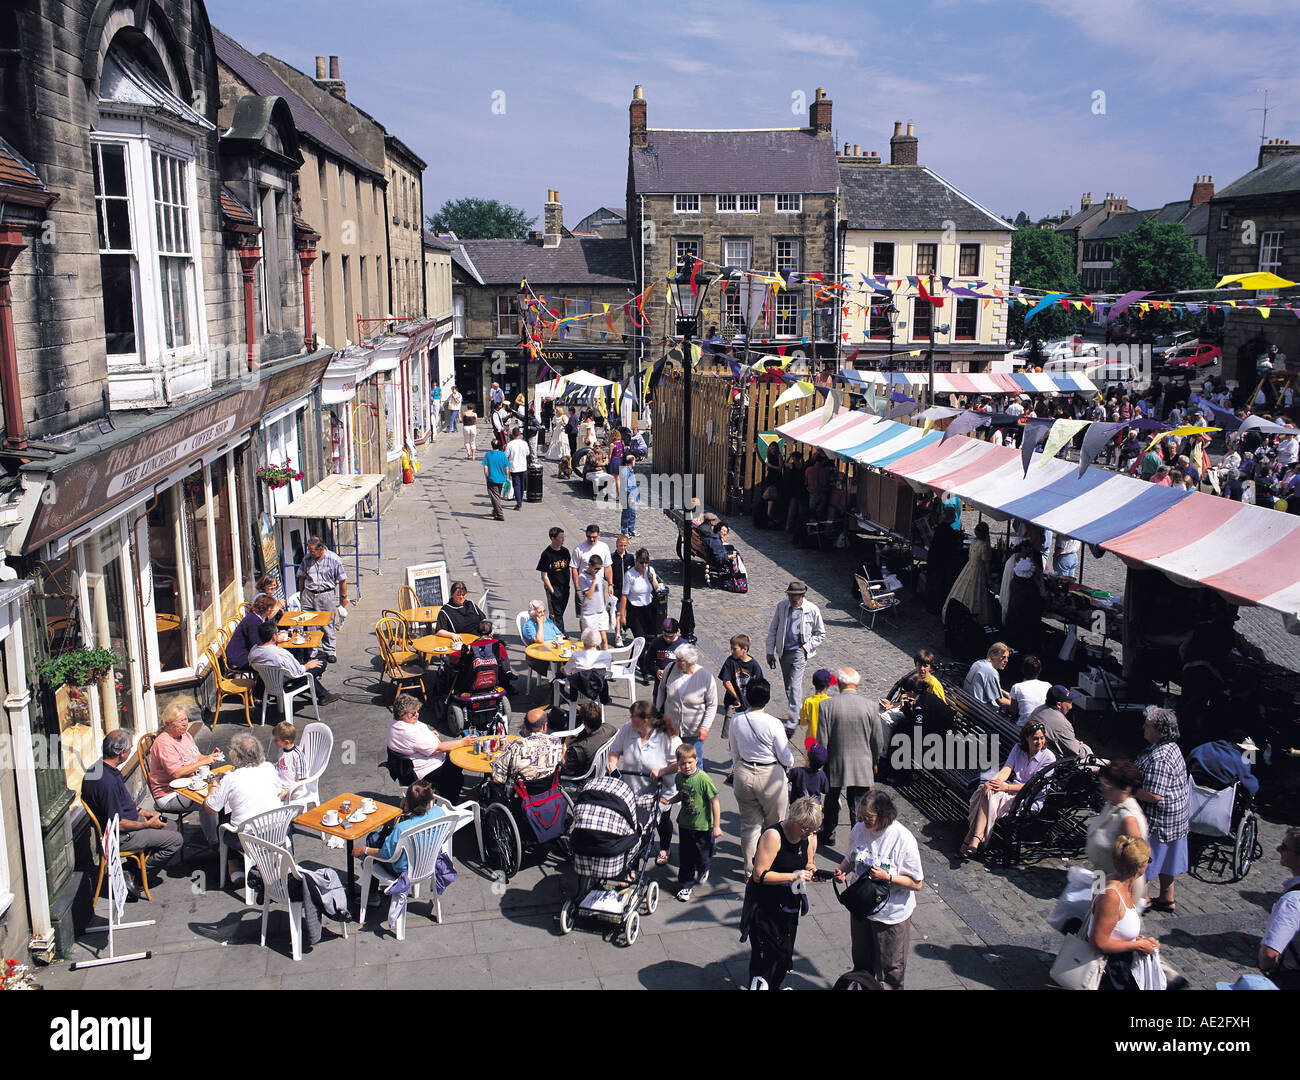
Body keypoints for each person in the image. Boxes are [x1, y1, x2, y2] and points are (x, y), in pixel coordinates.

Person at [833, 790, 924, 989]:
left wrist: (888, 878)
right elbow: (850, 857)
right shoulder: (858, 829)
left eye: (869, 817)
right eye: (861, 816)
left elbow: (917, 883)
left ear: (883, 815)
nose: (863, 821)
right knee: (862, 963)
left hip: (890, 916)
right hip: (861, 909)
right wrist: (842, 870)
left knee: (891, 969)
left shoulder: (903, 839)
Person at [742, 796, 823, 989]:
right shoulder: (773, 836)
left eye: (813, 829)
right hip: (765, 905)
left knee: (783, 953)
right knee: (765, 955)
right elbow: (759, 875)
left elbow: (809, 862)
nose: (809, 833)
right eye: (805, 828)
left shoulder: (809, 836)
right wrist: (793, 876)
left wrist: (813, 871)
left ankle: (774, 985)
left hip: (789, 904)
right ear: (794, 820)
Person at [728, 678, 795, 881]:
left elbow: (734, 750)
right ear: (767, 698)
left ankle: (750, 871)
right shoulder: (774, 723)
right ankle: (771, 866)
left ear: (747, 696)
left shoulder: (737, 719)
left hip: (744, 772)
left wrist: (739, 767)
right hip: (770, 776)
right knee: (776, 825)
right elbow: (785, 757)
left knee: (749, 825)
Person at [204, 731, 291, 884]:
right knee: (236, 811)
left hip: (248, 839)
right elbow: (280, 792)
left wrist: (214, 784)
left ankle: (233, 866)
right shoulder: (269, 768)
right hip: (278, 831)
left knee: (225, 818)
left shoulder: (231, 778)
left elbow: (210, 808)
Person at [960, 719, 1055, 857]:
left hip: (1029, 798)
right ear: (1026, 738)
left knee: (991, 796)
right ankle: (977, 836)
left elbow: (1034, 785)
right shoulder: (1018, 749)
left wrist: (1005, 787)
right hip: (1011, 789)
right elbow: (1007, 769)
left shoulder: (1048, 758)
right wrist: (993, 783)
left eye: (1041, 738)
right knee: (986, 790)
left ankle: (971, 837)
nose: (1039, 742)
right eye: (1035, 739)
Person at [606, 700, 682, 866]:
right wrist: (612, 762)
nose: (630, 719)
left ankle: (665, 847)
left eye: (633, 717)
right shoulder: (628, 729)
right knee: (634, 826)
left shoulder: (667, 737)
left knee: (662, 821)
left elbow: (682, 762)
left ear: (645, 721)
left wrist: (662, 771)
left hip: (659, 789)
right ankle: (632, 861)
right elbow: (615, 749)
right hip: (632, 787)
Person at [816, 668, 883, 849]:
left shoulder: (827, 706)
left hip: (835, 762)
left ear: (838, 684)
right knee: (859, 805)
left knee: (831, 800)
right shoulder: (870, 706)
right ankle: (858, 842)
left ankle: (828, 833)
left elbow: (821, 739)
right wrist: (874, 761)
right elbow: (877, 739)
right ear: (858, 684)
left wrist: (820, 764)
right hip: (861, 764)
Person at [1134, 706, 1191, 914]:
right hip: (1176, 818)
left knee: (1143, 860)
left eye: (1147, 725)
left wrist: (1126, 788)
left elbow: (1153, 795)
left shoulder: (1160, 758)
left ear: (1159, 730)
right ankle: (1167, 899)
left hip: (1160, 821)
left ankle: (1144, 899)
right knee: (1168, 861)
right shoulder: (1171, 747)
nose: (1143, 727)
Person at [1090, 837, 1161, 990]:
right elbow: (1098, 943)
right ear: (1140, 866)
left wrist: (1140, 940)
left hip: (1119, 964)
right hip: (1110, 972)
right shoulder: (1112, 896)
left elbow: (1114, 926)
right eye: (1148, 860)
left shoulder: (1104, 878)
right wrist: (1138, 945)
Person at [147, 703, 221, 844]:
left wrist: (208, 757)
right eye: (180, 721)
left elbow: (195, 756)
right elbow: (176, 773)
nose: (185, 724)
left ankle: (221, 833)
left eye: (186, 719)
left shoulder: (185, 735)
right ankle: (214, 842)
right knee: (209, 801)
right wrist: (202, 762)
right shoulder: (163, 743)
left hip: (188, 785)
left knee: (221, 790)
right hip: (168, 793)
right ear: (168, 724)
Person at [387, 693, 474, 802]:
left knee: (456, 760)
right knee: (457, 767)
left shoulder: (396, 724)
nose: (417, 715)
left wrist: (429, 735)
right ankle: (450, 801)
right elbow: (437, 749)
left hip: (420, 760)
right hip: (428, 768)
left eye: (417, 711)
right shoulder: (408, 732)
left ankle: (446, 790)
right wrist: (462, 742)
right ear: (401, 714)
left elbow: (416, 739)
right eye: (413, 714)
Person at [765, 579, 826, 734]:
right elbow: (774, 629)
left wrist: (805, 648)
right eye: (790, 595)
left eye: (795, 597)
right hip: (783, 652)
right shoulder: (782, 606)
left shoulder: (812, 609)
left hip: (800, 652)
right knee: (788, 687)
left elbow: (820, 634)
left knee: (794, 686)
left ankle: (792, 724)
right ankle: (799, 713)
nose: (792, 599)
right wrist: (770, 651)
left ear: (803, 596)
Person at [353, 779, 447, 875]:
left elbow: (386, 855)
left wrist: (363, 850)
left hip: (404, 870)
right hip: (429, 862)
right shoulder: (439, 812)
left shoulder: (402, 828)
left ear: (406, 801)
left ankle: (371, 887)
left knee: (373, 838)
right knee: (386, 832)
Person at [1086, 760, 1149, 885]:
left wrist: (1111, 887)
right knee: (1092, 904)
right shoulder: (1111, 804)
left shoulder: (1128, 819)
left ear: (1126, 788)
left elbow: (1139, 866)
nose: (1103, 785)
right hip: (1100, 876)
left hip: (1114, 886)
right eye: (1104, 780)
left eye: (1109, 783)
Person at [654, 643, 717, 765]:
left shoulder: (705, 676)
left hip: (693, 731)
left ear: (690, 661)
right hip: (670, 728)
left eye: (680, 660)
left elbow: (712, 705)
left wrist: (705, 727)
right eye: (676, 659)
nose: (676, 662)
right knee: (670, 760)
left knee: (693, 762)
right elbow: (661, 690)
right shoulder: (670, 669)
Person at [249, 620, 338, 705]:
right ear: (274, 637)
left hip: (268, 678)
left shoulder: (254, 651)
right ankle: (322, 694)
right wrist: (307, 666)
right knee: (321, 663)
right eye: (277, 632)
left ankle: (324, 694)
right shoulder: (280, 654)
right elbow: (298, 671)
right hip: (285, 678)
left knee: (304, 666)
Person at [673, 744, 721, 902]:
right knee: (685, 855)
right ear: (678, 764)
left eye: (689, 762)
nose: (686, 766)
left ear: (696, 760)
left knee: (702, 854)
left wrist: (716, 826)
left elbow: (714, 802)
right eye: (682, 763)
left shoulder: (703, 779)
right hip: (685, 824)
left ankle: (703, 867)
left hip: (703, 826)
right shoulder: (679, 778)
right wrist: (669, 800)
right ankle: (686, 885)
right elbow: (682, 795)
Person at [1258, 826, 1300, 988]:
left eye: (1284, 847)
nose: (1277, 849)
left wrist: (1267, 965)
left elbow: (1269, 954)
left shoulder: (1292, 902)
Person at [296, 535, 347, 665]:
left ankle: (330, 651)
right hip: (309, 594)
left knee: (327, 623)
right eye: (309, 550)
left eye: (312, 550)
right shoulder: (307, 559)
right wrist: (301, 594)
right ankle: (312, 652)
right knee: (309, 624)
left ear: (321, 548)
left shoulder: (334, 559)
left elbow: (342, 580)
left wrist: (343, 598)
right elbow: (301, 577)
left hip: (326, 595)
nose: (310, 553)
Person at [491, 707, 564, 787]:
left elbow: (498, 779)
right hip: (547, 791)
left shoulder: (515, 747)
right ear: (544, 727)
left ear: (525, 727)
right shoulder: (556, 742)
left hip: (521, 795)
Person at [944, 520, 996, 624]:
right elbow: (986, 564)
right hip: (978, 570)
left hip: (969, 567)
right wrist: (989, 578)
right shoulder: (985, 546)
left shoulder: (974, 541)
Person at [1187, 730, 1260, 796]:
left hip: (1191, 795)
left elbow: (1187, 765)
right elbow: (1251, 788)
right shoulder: (1241, 760)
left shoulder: (1201, 748)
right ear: (1231, 743)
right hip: (1221, 803)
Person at [719, 634, 764, 741]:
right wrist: (737, 697)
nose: (732, 651)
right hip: (733, 704)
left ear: (745, 649)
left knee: (746, 736)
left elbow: (759, 687)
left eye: (735, 649)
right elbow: (726, 682)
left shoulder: (754, 666)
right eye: (731, 648)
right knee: (732, 736)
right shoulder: (730, 661)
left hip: (748, 706)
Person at [1030, 685, 1092, 758]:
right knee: (1107, 763)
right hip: (1052, 763)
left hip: (1037, 753)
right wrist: (1083, 746)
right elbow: (1078, 754)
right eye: (1069, 702)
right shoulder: (1063, 725)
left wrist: (1073, 742)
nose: (1071, 707)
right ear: (1059, 704)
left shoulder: (1037, 710)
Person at [561, 701, 616, 778]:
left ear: (584, 722)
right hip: (601, 769)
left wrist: (565, 746)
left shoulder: (579, 749)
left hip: (582, 780)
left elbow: (567, 769)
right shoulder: (610, 728)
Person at [619, 547, 661, 645]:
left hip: (648, 609)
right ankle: (634, 659)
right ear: (636, 561)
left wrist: (652, 580)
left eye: (646, 562)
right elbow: (624, 595)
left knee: (647, 641)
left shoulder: (650, 570)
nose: (644, 565)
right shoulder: (629, 574)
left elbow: (656, 587)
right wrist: (622, 615)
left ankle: (639, 660)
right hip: (634, 611)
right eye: (641, 562)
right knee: (640, 639)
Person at [227, 593, 279, 672]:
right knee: (271, 664)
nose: (272, 610)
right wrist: (275, 641)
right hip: (239, 658)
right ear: (264, 608)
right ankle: (263, 683)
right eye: (271, 608)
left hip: (245, 653)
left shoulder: (257, 618)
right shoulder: (253, 621)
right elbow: (258, 645)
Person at [963, 642, 1012, 709]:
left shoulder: (979, 663)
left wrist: (1006, 693)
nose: (1006, 660)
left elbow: (990, 686)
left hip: (967, 700)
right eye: (1003, 657)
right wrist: (1015, 703)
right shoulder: (991, 672)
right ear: (992, 655)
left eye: (1007, 657)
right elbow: (1000, 701)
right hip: (978, 709)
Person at [643, 617, 688, 689]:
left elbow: (690, 667)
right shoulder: (656, 643)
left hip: (678, 685)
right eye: (665, 635)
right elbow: (648, 662)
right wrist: (656, 671)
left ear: (678, 631)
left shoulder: (684, 645)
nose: (667, 639)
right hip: (660, 686)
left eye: (671, 636)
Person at [796, 668, 836, 745]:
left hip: (812, 741)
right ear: (828, 685)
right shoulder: (832, 702)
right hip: (828, 740)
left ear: (813, 683)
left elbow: (803, 722)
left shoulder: (808, 702)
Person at [577, 554, 610, 646]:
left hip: (600, 611)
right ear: (589, 565)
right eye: (596, 568)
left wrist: (603, 605)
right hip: (589, 614)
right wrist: (594, 581)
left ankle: (605, 658)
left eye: (599, 569)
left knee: (603, 639)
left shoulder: (598, 573)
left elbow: (601, 590)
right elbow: (589, 595)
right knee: (591, 642)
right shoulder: (582, 577)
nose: (597, 571)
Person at [1009, 654, 1051, 723]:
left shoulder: (1017, 687)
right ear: (1040, 670)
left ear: (1022, 670)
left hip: (1023, 727)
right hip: (1043, 727)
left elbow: (1013, 711)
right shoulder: (1048, 686)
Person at [272, 720, 309, 795]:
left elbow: (301, 779)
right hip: (280, 785)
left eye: (276, 740)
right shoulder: (281, 750)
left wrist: (287, 792)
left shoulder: (297, 755)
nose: (274, 742)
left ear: (286, 742)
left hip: (293, 790)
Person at [482, 442, 509, 521]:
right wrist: (507, 477)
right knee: (497, 496)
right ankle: (495, 511)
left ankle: (500, 514)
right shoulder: (503, 455)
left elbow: (485, 467)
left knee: (494, 497)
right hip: (501, 478)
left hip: (492, 478)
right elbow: (507, 467)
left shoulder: (488, 454)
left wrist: (486, 476)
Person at [505, 427, 530, 512]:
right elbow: (527, 453)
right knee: (522, 485)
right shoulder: (524, 443)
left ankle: (519, 503)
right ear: (519, 434)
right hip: (523, 466)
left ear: (512, 435)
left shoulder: (510, 444)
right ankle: (520, 500)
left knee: (516, 485)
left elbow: (506, 455)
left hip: (514, 467)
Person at [620, 451, 640, 536]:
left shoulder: (630, 470)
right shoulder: (625, 471)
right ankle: (624, 531)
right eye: (634, 460)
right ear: (632, 462)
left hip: (633, 494)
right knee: (626, 513)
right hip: (628, 495)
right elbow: (626, 484)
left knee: (632, 513)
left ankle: (631, 529)